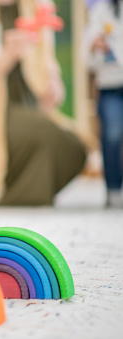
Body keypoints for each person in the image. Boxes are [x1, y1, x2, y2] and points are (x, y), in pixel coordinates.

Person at [0, 0, 87, 205]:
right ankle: (0, 195)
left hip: (28, 105)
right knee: (46, 135)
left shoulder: (35, 4)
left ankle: (14, 195)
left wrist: (53, 86)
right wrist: (8, 54)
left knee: (76, 147)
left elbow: (48, 68)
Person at [83, 0, 123, 208]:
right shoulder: (100, 11)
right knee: (112, 134)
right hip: (110, 83)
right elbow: (86, 58)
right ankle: (114, 189)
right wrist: (94, 48)